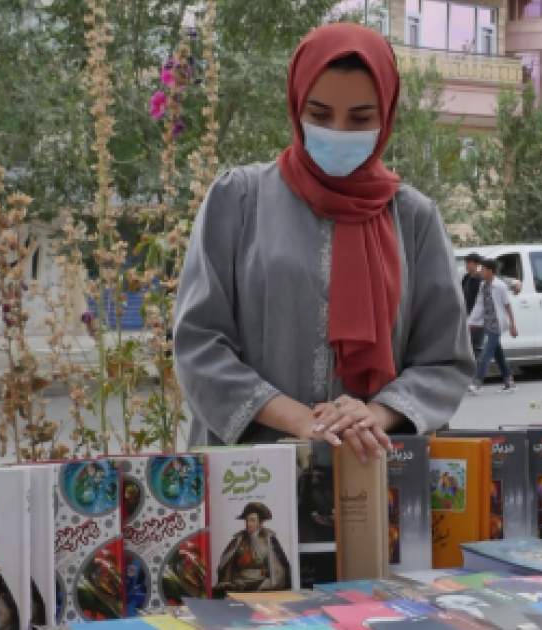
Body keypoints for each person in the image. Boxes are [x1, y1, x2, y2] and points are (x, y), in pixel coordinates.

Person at [174, 23, 474, 460]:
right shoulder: (238, 199)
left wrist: (375, 414)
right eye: (319, 114)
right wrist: (301, 420)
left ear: (386, 115)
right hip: (253, 471)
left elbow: (444, 359)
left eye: (360, 118)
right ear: (297, 108)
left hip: (372, 467)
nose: (337, 130)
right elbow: (199, 343)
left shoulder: (413, 218)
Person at [214, 502, 291, 596]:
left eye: (252, 520)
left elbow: (278, 569)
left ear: (261, 523)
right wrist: (227, 582)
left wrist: (267, 585)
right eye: (247, 520)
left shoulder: (270, 540)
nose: (248, 524)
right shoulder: (238, 540)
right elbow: (228, 564)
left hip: (262, 584)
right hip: (239, 584)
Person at [467, 259, 517, 394]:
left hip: (497, 325)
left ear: (490, 271)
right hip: (487, 324)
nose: (481, 272)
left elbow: (507, 305)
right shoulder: (483, 286)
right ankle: (509, 381)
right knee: (498, 354)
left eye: (483, 269)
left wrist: (513, 325)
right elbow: (479, 306)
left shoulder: (500, 286)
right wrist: (470, 323)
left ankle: (477, 382)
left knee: (485, 354)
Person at [461, 252, 484, 356]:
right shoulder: (466, 278)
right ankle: (506, 371)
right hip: (467, 316)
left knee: (476, 347)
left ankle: (477, 371)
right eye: (466, 263)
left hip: (477, 318)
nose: (467, 265)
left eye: (469, 263)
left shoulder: (481, 279)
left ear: (476, 264)